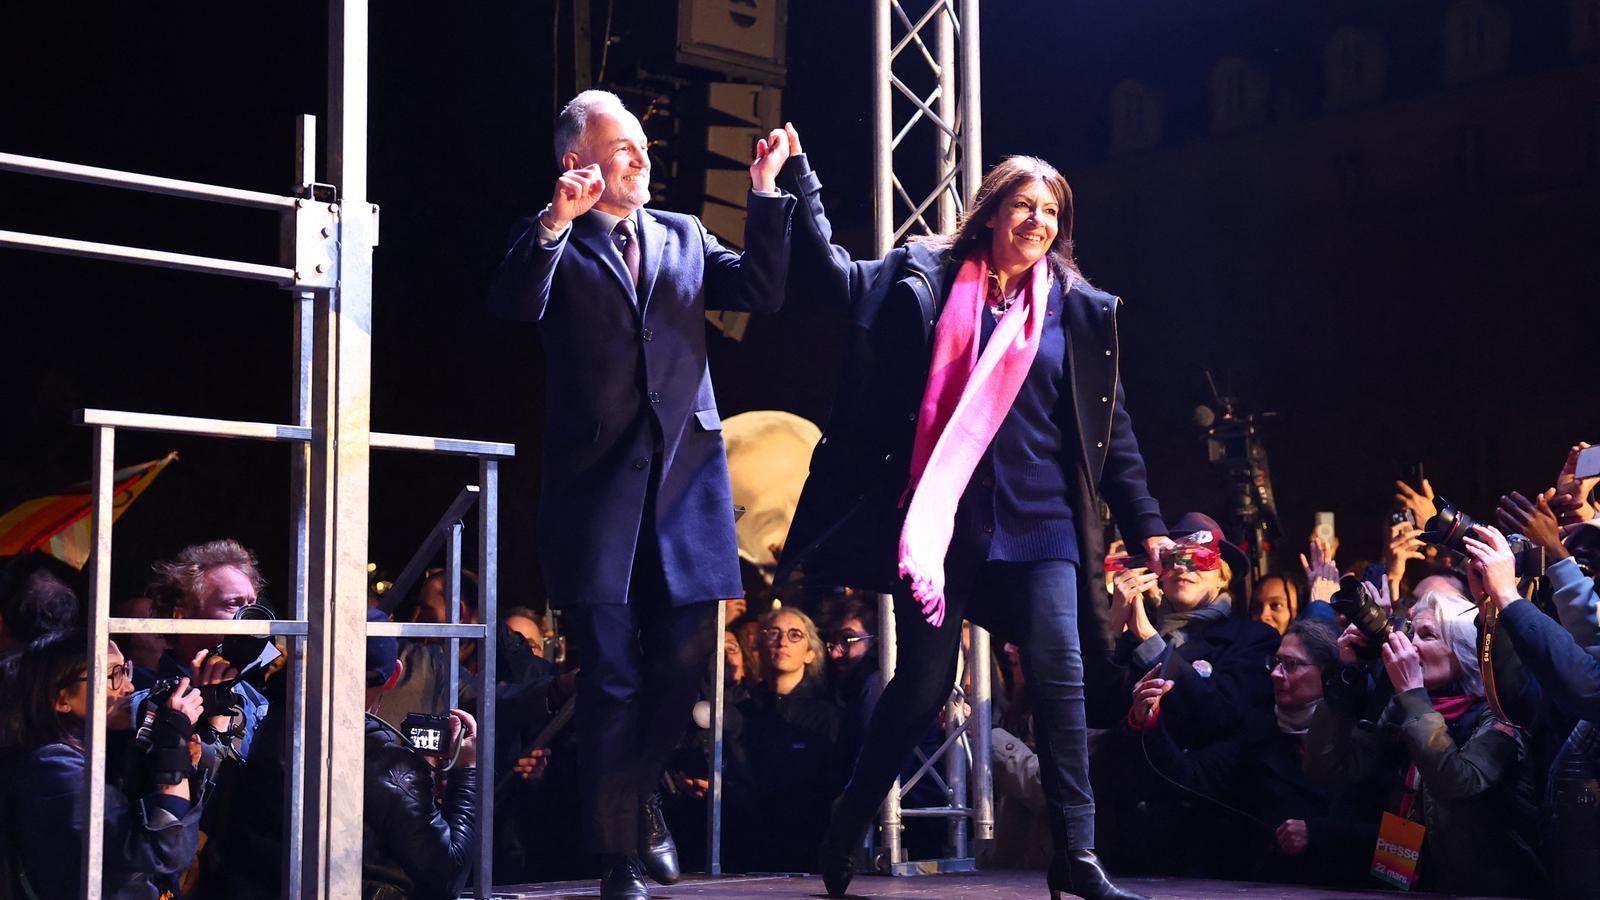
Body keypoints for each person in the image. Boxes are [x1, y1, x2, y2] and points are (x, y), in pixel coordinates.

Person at [776, 147, 1168, 900]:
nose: (1038, 221)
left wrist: (1144, 519)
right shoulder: (924, 277)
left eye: (1052, 211)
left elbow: (1110, 432)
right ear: (991, 212)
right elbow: (829, 276)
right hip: (947, 523)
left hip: (1045, 524)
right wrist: (800, 183)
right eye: (1025, 205)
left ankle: (1077, 856)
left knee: (1061, 677)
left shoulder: (1078, 312)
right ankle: (848, 820)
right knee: (923, 686)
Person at [489, 88, 794, 899]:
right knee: (614, 676)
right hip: (595, 501)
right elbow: (515, 302)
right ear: (576, 160)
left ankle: (632, 796)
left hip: (688, 493)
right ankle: (618, 853)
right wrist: (554, 222)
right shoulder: (551, 242)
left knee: (690, 660)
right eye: (621, 145)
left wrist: (765, 194)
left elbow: (763, 290)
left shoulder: (684, 236)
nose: (641, 155)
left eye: (642, 146)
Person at [1304, 590, 1544, 896]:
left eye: (1428, 635)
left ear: (1465, 651)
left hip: (1483, 889)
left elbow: (1458, 784)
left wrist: (1413, 696)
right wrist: (1347, 674)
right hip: (1406, 880)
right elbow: (1329, 768)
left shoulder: (1500, 715)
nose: (1411, 646)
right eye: (1410, 633)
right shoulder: (1402, 708)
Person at [1117, 619, 1381, 887]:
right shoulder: (1259, 732)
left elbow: (1393, 838)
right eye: (1276, 663)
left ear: (1328, 672)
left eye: (1291, 664)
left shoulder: (1365, 731)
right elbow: (1189, 776)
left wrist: (1318, 834)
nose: (1277, 674)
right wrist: (1147, 719)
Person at [2, 631, 209, 899]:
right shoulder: (53, 769)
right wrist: (173, 742)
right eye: (113, 675)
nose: (128, 687)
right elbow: (165, 849)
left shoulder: (101, 748)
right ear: (61, 699)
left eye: (125, 670)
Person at [723, 606, 843, 873]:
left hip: (806, 846)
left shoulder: (827, 716)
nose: (782, 641)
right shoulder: (740, 709)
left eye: (794, 635)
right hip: (745, 846)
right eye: (773, 633)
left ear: (810, 653)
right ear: (759, 645)